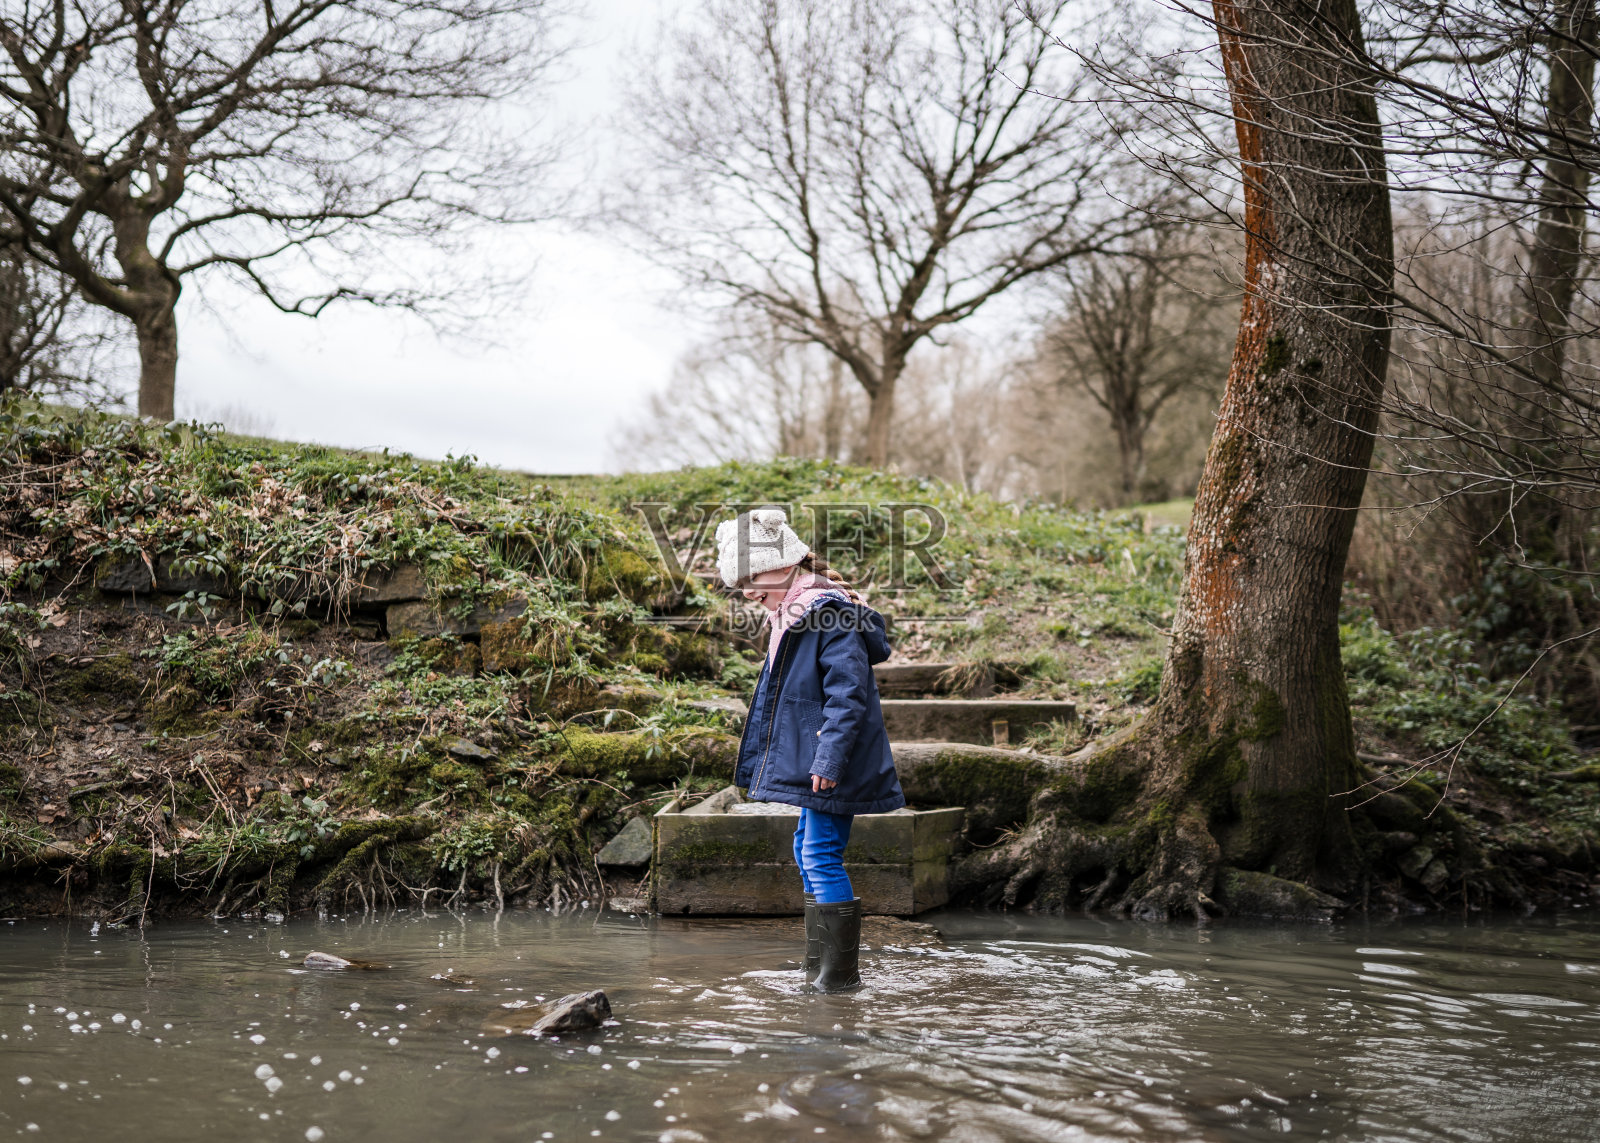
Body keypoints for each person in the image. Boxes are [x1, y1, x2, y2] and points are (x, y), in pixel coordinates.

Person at [715, 507, 904, 992]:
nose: (748, 591)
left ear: (784, 562)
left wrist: (828, 760)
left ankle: (838, 980)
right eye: (739, 583)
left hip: (836, 758)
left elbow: (848, 696)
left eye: (752, 576)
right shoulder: (791, 613)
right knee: (806, 848)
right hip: (820, 757)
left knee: (820, 853)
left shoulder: (828, 613)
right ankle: (815, 965)